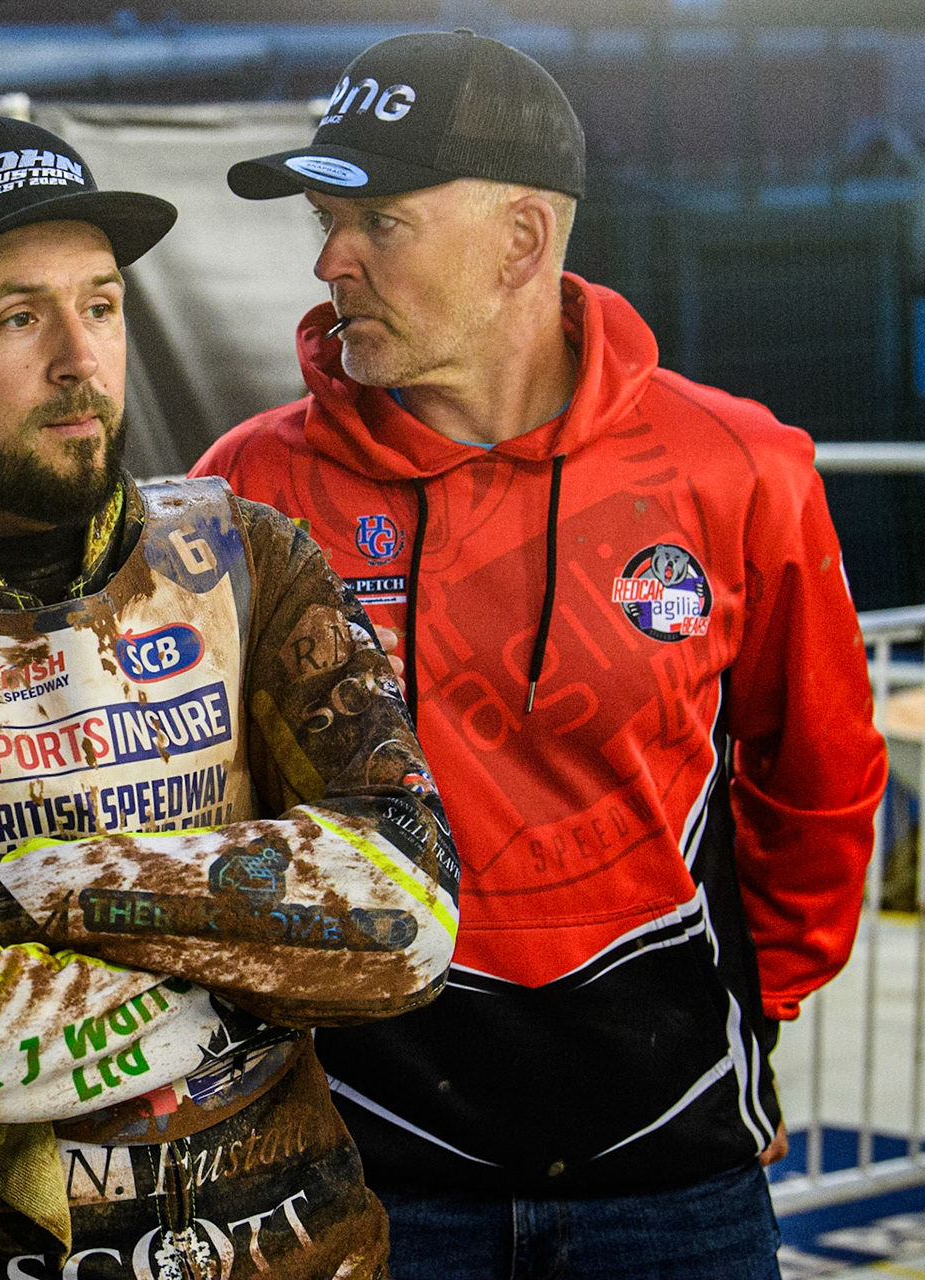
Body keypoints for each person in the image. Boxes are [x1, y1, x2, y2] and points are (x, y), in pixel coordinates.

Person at [0, 113, 461, 1279]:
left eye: (100, 304)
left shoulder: (245, 555)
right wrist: (263, 974)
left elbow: (408, 921)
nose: (80, 359)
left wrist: (37, 885)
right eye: (19, 316)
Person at [194, 29, 889, 1280]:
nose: (326, 258)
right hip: (368, 1180)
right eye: (323, 214)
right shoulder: (245, 485)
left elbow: (822, 778)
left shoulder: (738, 465)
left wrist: (746, 1019)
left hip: (672, 1187)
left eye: (378, 221)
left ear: (520, 241)